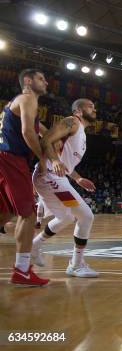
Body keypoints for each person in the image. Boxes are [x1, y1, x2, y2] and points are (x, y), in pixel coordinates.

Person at [31, 99, 99, 277]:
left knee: (67, 217)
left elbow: (66, 163)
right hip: (48, 176)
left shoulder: (81, 133)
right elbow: (46, 139)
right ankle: (76, 265)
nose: (94, 109)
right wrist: (53, 160)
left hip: (58, 178)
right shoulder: (72, 121)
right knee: (86, 216)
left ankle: (34, 245)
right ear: (78, 110)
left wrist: (78, 178)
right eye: (90, 106)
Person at [0, 68, 50, 286]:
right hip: (11, 158)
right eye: (41, 78)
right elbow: (27, 132)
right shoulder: (29, 98)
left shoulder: (17, 101)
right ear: (28, 81)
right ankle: (22, 270)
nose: (46, 82)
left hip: (3, 156)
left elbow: (36, 129)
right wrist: (42, 158)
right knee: (28, 214)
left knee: (5, 212)